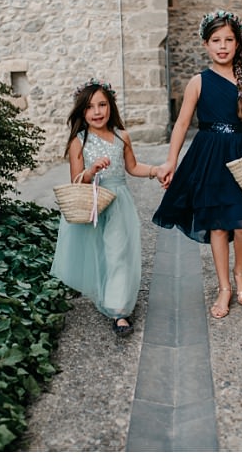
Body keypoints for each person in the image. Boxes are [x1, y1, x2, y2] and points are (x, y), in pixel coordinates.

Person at [152, 10, 242, 320]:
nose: (223, 46)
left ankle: (240, 273)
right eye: (216, 40)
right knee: (218, 225)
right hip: (209, 156)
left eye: (229, 40)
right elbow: (182, 124)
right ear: (206, 44)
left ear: (238, 43)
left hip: (241, 155)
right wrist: (171, 161)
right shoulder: (198, 82)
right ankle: (224, 287)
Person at [50, 79, 164, 336]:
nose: (97, 112)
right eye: (90, 107)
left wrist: (156, 170)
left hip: (118, 202)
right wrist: (92, 170)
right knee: (99, 253)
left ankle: (119, 311)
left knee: (118, 254)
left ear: (111, 106)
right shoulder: (79, 141)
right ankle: (103, 290)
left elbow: (133, 167)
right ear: (82, 112)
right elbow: (76, 180)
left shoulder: (121, 136)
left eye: (102, 105)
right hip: (91, 203)